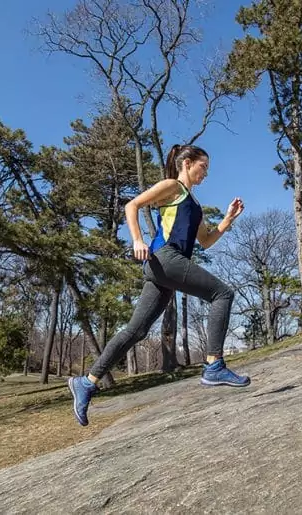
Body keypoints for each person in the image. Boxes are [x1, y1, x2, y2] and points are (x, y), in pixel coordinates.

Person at [68, 143, 249, 426]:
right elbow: (133, 205)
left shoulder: (195, 204)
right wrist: (137, 239)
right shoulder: (173, 187)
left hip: (163, 268)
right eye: (204, 167)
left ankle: (87, 382)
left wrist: (227, 219)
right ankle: (214, 365)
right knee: (222, 294)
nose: (206, 174)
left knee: (136, 330)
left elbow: (206, 241)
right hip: (165, 259)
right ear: (187, 163)